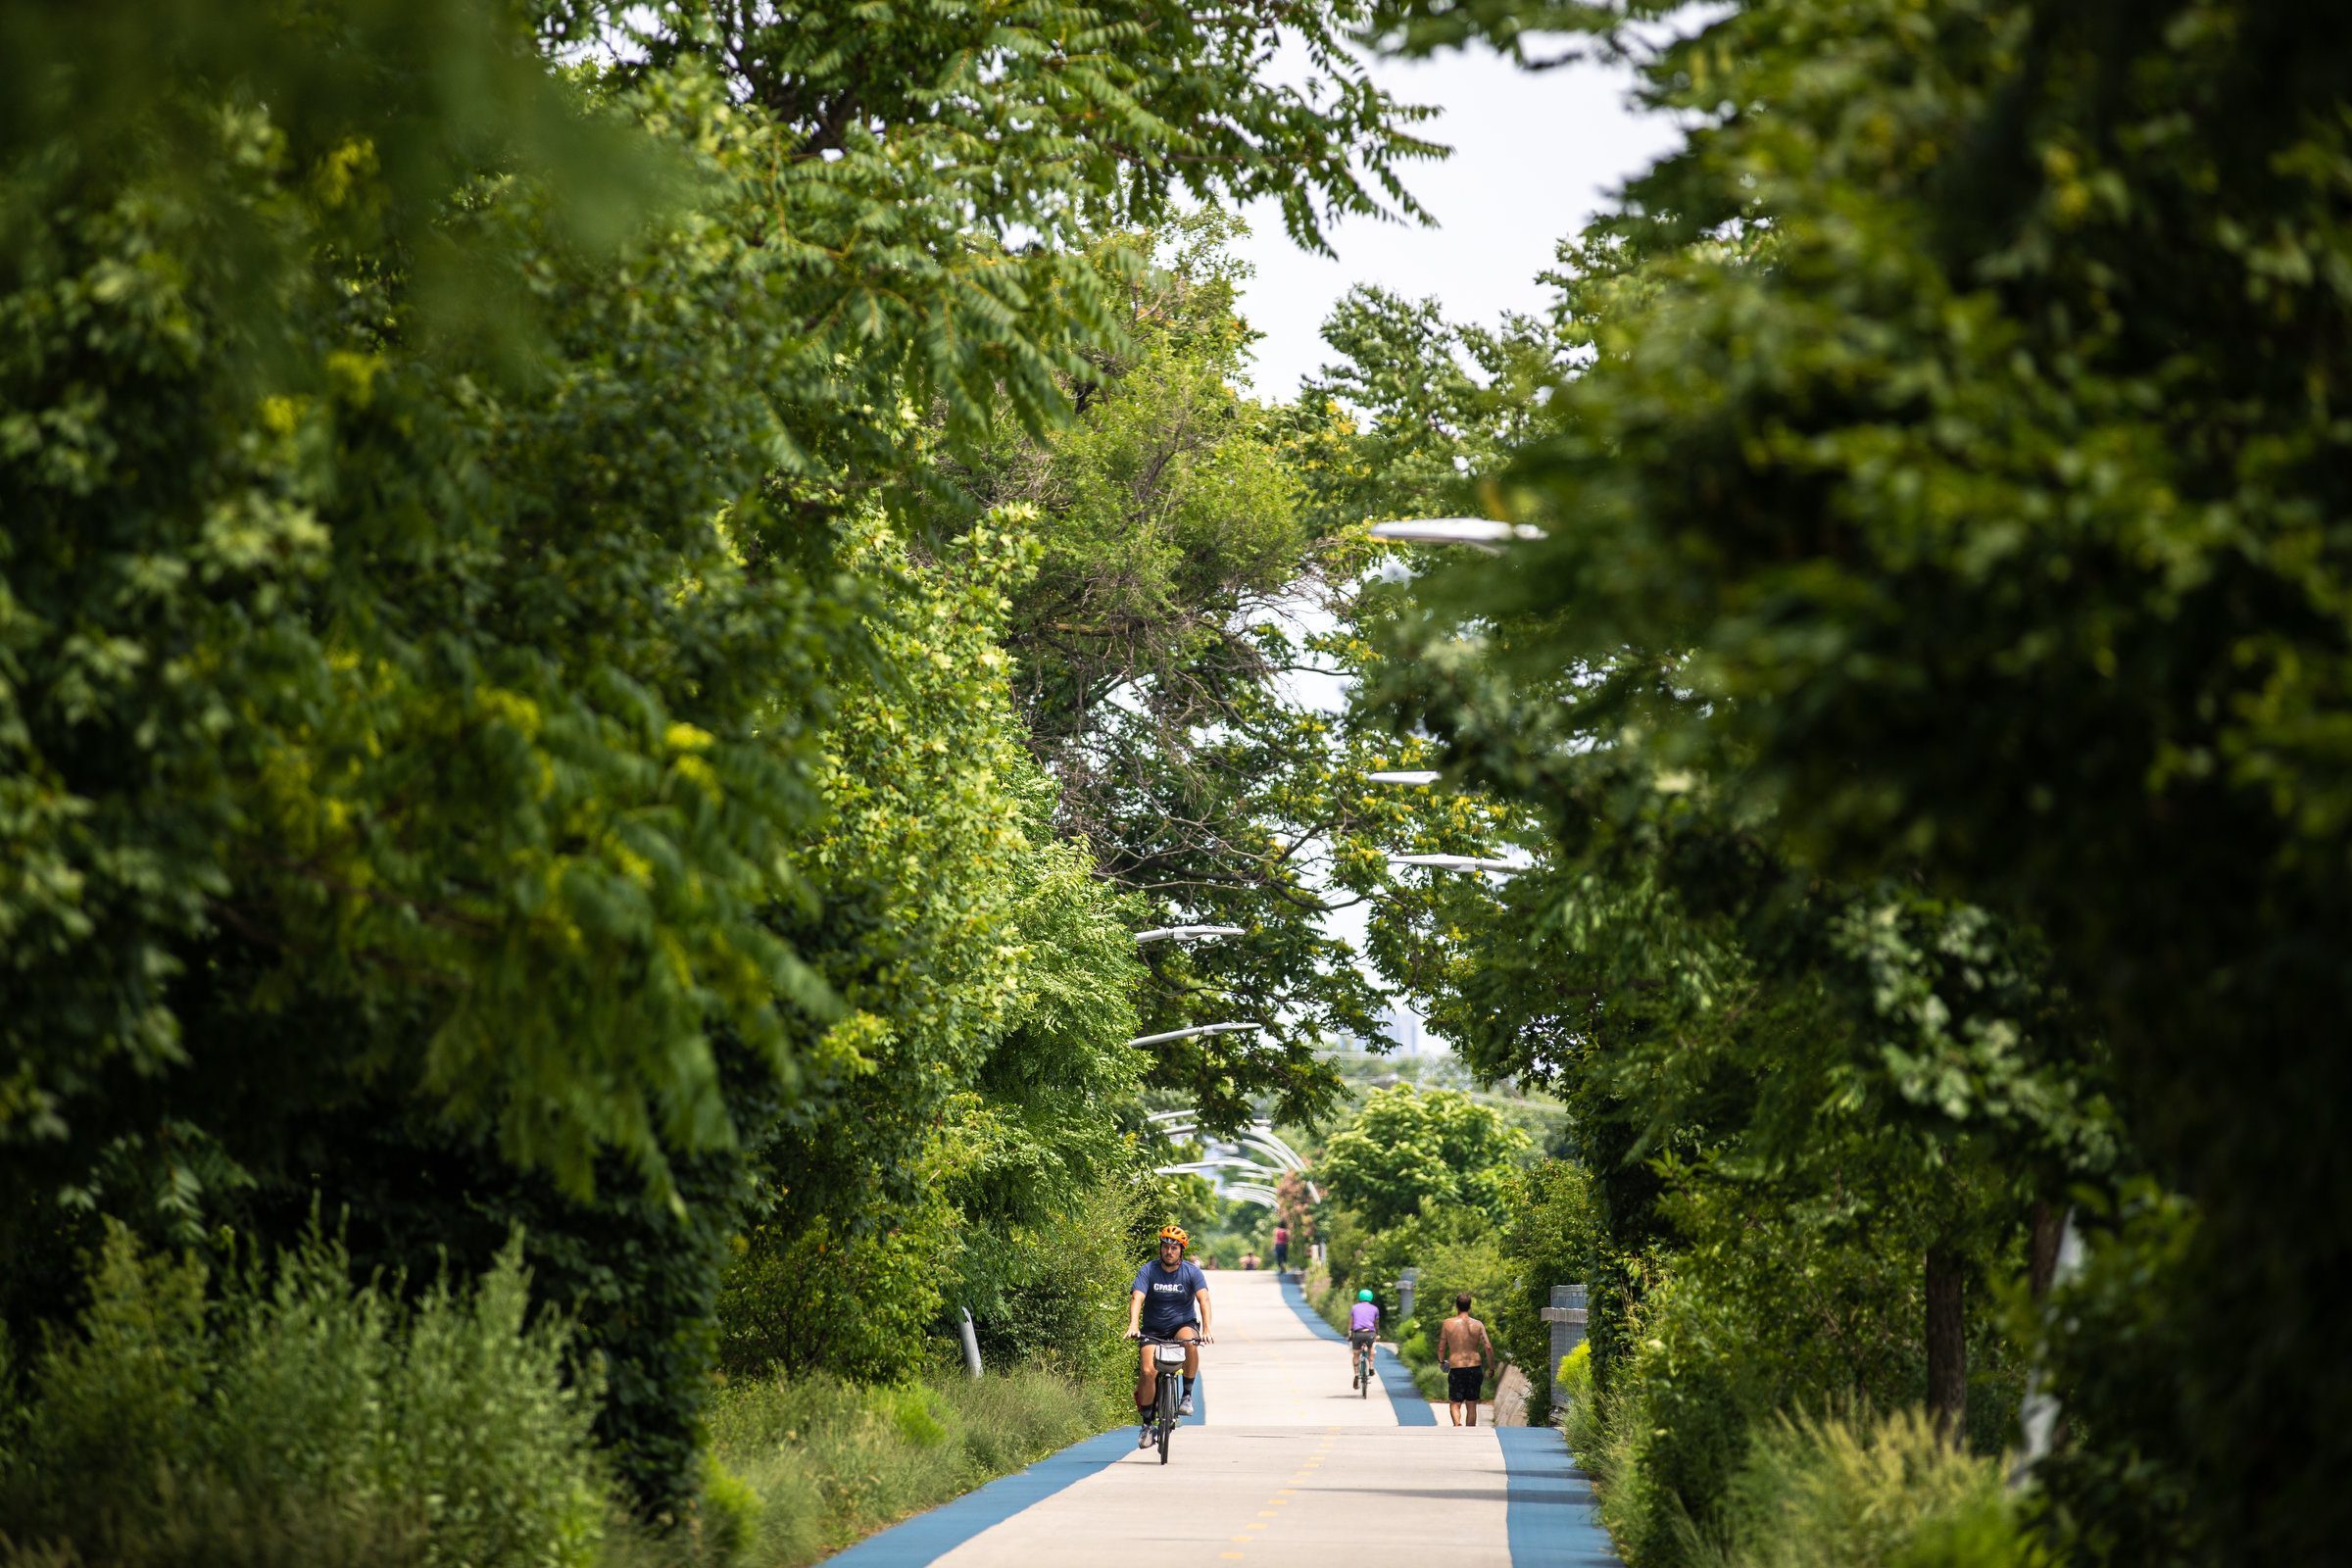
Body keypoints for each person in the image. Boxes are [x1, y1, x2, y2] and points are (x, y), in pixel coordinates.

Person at [1126, 1224, 1212, 1446]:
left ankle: (1186, 1395)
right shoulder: (1148, 1270)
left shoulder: (1192, 1272)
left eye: (1174, 1248)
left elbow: (1204, 1299)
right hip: (1153, 1329)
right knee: (1147, 1371)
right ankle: (1146, 1424)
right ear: (1161, 1249)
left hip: (1181, 1325)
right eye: (1165, 1247)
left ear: (1181, 1251)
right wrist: (1134, 1324)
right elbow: (1137, 1298)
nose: (1169, 1252)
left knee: (1190, 1342)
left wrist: (1207, 1329)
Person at [1438, 1292, 1495, 1428]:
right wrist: (1491, 1367)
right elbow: (1488, 1346)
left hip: (1456, 1367)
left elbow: (1441, 1347)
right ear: (1470, 1307)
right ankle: (1470, 1431)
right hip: (1474, 1367)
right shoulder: (1478, 1324)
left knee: (1455, 1403)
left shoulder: (1448, 1323)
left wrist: (1441, 1362)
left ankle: (1457, 1424)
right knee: (1471, 1404)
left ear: (1456, 1306)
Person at [1347, 1288, 1379, 1385]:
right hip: (1370, 1333)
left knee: (1356, 1353)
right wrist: (1377, 1334)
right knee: (1371, 1348)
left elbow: (1351, 1323)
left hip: (1358, 1333)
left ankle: (1356, 1374)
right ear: (1371, 1297)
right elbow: (1376, 1323)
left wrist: (1349, 1334)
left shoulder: (1354, 1308)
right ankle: (1371, 1366)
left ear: (1360, 1297)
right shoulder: (1375, 1309)